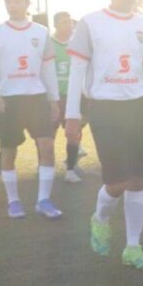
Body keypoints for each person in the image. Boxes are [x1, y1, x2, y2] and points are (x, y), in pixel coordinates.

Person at [65, 0, 143, 270]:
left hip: (141, 107)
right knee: (117, 182)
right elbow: (76, 71)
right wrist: (72, 115)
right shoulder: (90, 23)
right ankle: (100, 218)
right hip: (106, 109)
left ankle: (133, 246)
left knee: (138, 179)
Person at [0, 0, 62, 219]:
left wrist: (54, 99)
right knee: (9, 151)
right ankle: (14, 201)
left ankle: (43, 200)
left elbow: (48, 69)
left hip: (36, 98)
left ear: (27, 3)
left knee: (46, 147)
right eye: (8, 1)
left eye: (17, 1)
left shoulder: (41, 32)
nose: (12, 5)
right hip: (9, 100)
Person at [52, 11, 83, 183]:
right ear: (56, 25)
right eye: (64, 22)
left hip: (73, 97)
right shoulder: (48, 44)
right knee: (49, 134)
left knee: (73, 133)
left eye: (70, 22)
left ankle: (70, 169)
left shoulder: (77, 44)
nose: (69, 25)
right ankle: (44, 165)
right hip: (54, 98)